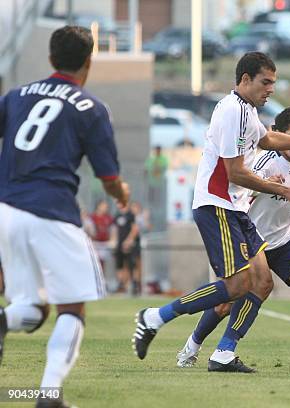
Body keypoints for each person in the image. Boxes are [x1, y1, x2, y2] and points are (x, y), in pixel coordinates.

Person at [132, 52, 290, 372]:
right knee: (237, 286)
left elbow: (267, 138)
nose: (271, 88)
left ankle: (224, 353)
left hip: (236, 208)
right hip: (217, 205)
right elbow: (235, 174)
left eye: (273, 82)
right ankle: (155, 317)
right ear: (245, 80)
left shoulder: (245, 110)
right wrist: (285, 190)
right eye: (265, 82)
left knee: (261, 283)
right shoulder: (232, 111)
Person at [0, 26, 129, 408]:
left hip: (7, 210)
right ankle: (48, 396)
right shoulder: (91, 107)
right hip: (52, 212)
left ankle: (4, 322)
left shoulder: (16, 96)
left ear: (51, 58)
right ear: (89, 61)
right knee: (71, 309)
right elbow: (109, 179)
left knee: (34, 309)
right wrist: (122, 195)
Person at [175, 107, 290, 370]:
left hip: (283, 240)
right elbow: (239, 193)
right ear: (279, 135)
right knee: (226, 302)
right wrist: (265, 186)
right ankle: (192, 347)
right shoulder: (260, 163)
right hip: (251, 240)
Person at [112, 203, 140, 294]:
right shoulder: (117, 215)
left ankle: (135, 285)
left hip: (129, 245)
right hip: (120, 244)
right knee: (119, 265)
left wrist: (128, 241)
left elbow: (135, 229)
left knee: (132, 265)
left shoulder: (130, 215)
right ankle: (121, 285)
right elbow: (115, 229)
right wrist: (114, 241)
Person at [90, 200, 114, 281]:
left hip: (105, 244)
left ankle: (103, 280)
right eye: (103, 206)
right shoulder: (92, 217)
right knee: (94, 263)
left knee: (103, 264)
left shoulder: (108, 218)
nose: (105, 208)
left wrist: (112, 240)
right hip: (95, 243)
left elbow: (113, 230)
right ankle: (94, 280)